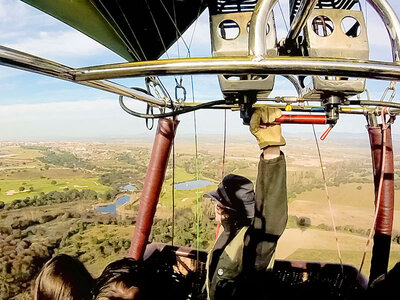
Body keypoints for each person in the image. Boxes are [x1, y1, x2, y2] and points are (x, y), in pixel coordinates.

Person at [204, 107, 288, 300]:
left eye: (217, 203)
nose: (215, 208)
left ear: (222, 209)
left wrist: (271, 149)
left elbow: (271, 219)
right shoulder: (229, 232)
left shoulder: (251, 242)